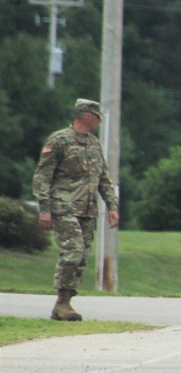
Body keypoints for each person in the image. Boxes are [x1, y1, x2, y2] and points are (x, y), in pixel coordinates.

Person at [33, 98, 120, 321]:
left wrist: (112, 205)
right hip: (64, 207)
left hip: (87, 210)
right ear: (88, 117)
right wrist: (45, 208)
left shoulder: (93, 144)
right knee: (73, 252)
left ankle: (64, 304)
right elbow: (42, 176)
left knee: (81, 258)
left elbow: (103, 178)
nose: (100, 122)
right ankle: (62, 302)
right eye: (98, 117)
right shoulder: (59, 140)